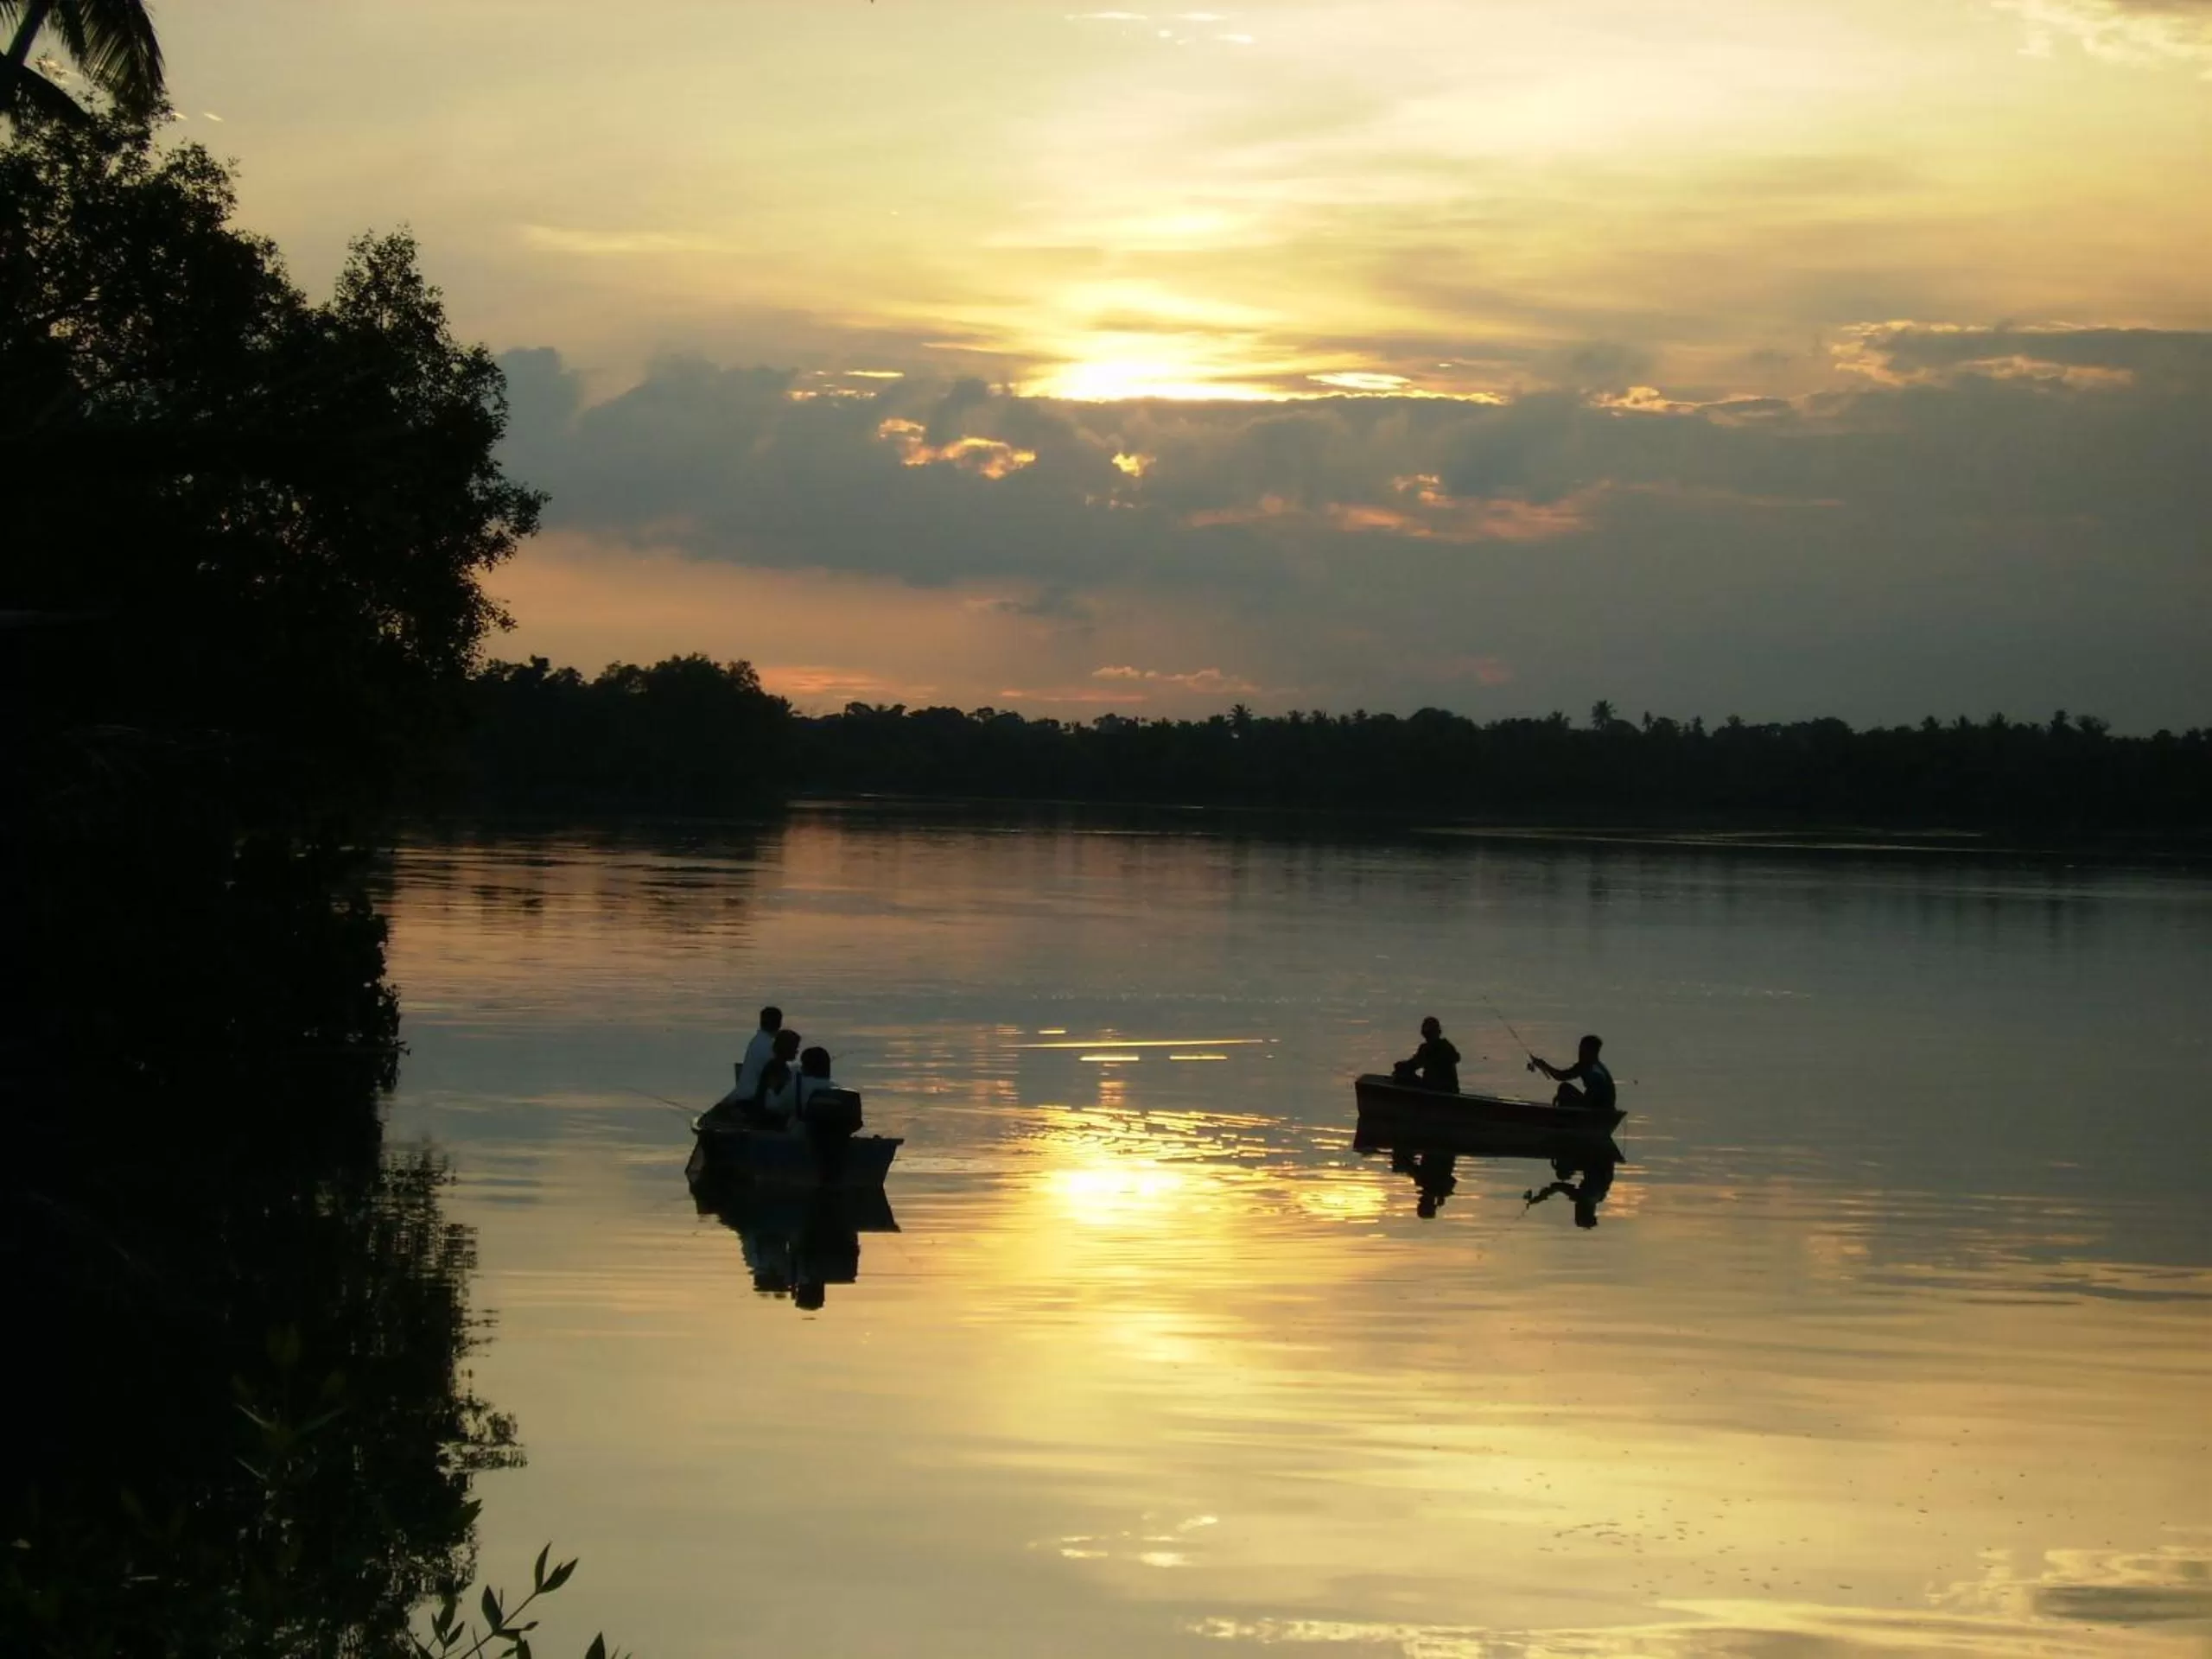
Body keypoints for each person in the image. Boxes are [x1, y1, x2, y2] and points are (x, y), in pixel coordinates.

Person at [1530, 1034, 1615, 1112]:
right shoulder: (1598, 1066)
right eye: (1580, 1049)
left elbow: (1561, 1076)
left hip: (1597, 1108)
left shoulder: (1586, 1066)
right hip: (1604, 1107)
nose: (1580, 1053)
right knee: (1565, 1090)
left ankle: (1563, 1119)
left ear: (1592, 1051)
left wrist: (1544, 1065)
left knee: (1564, 1088)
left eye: (1583, 1050)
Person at [752, 1028, 803, 1129]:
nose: (797, 1052)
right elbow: (774, 1095)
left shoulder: (781, 1067)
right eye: (795, 1048)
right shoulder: (774, 1067)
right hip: (768, 1120)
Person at [1394, 1016, 1461, 1093]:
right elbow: (1414, 1064)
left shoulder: (1443, 1047)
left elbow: (1416, 1063)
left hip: (1442, 1088)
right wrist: (1402, 1066)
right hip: (1431, 1086)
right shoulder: (1426, 1048)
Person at [733, 1006, 784, 1104]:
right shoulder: (769, 1047)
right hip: (752, 1098)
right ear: (779, 1024)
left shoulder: (756, 1040)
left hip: (744, 1093)